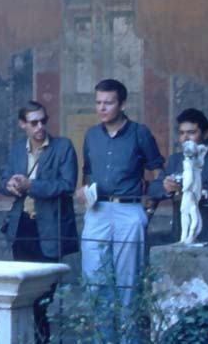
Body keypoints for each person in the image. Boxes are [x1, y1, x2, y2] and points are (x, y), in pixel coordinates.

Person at [76, 79, 164, 318]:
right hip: (97, 211)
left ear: (122, 104)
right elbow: (88, 172)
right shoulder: (92, 135)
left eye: (108, 103)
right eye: (98, 102)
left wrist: (149, 210)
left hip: (129, 211)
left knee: (128, 282)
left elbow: (158, 172)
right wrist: (85, 191)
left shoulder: (140, 133)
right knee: (94, 279)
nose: (102, 108)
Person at [0, 101, 79, 344]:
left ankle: (41, 339)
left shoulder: (62, 147)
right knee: (23, 291)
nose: (40, 127)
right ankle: (25, 338)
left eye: (43, 121)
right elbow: (1, 182)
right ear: (23, 124)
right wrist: (10, 186)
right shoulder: (16, 150)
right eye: (34, 122)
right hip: (22, 227)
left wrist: (31, 185)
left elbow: (66, 185)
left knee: (43, 295)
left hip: (50, 228)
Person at [146, 108, 208, 244]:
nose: (185, 138)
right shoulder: (175, 160)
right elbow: (153, 189)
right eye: (182, 133)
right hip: (181, 232)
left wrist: (203, 192)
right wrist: (166, 187)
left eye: (191, 133)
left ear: (206, 134)